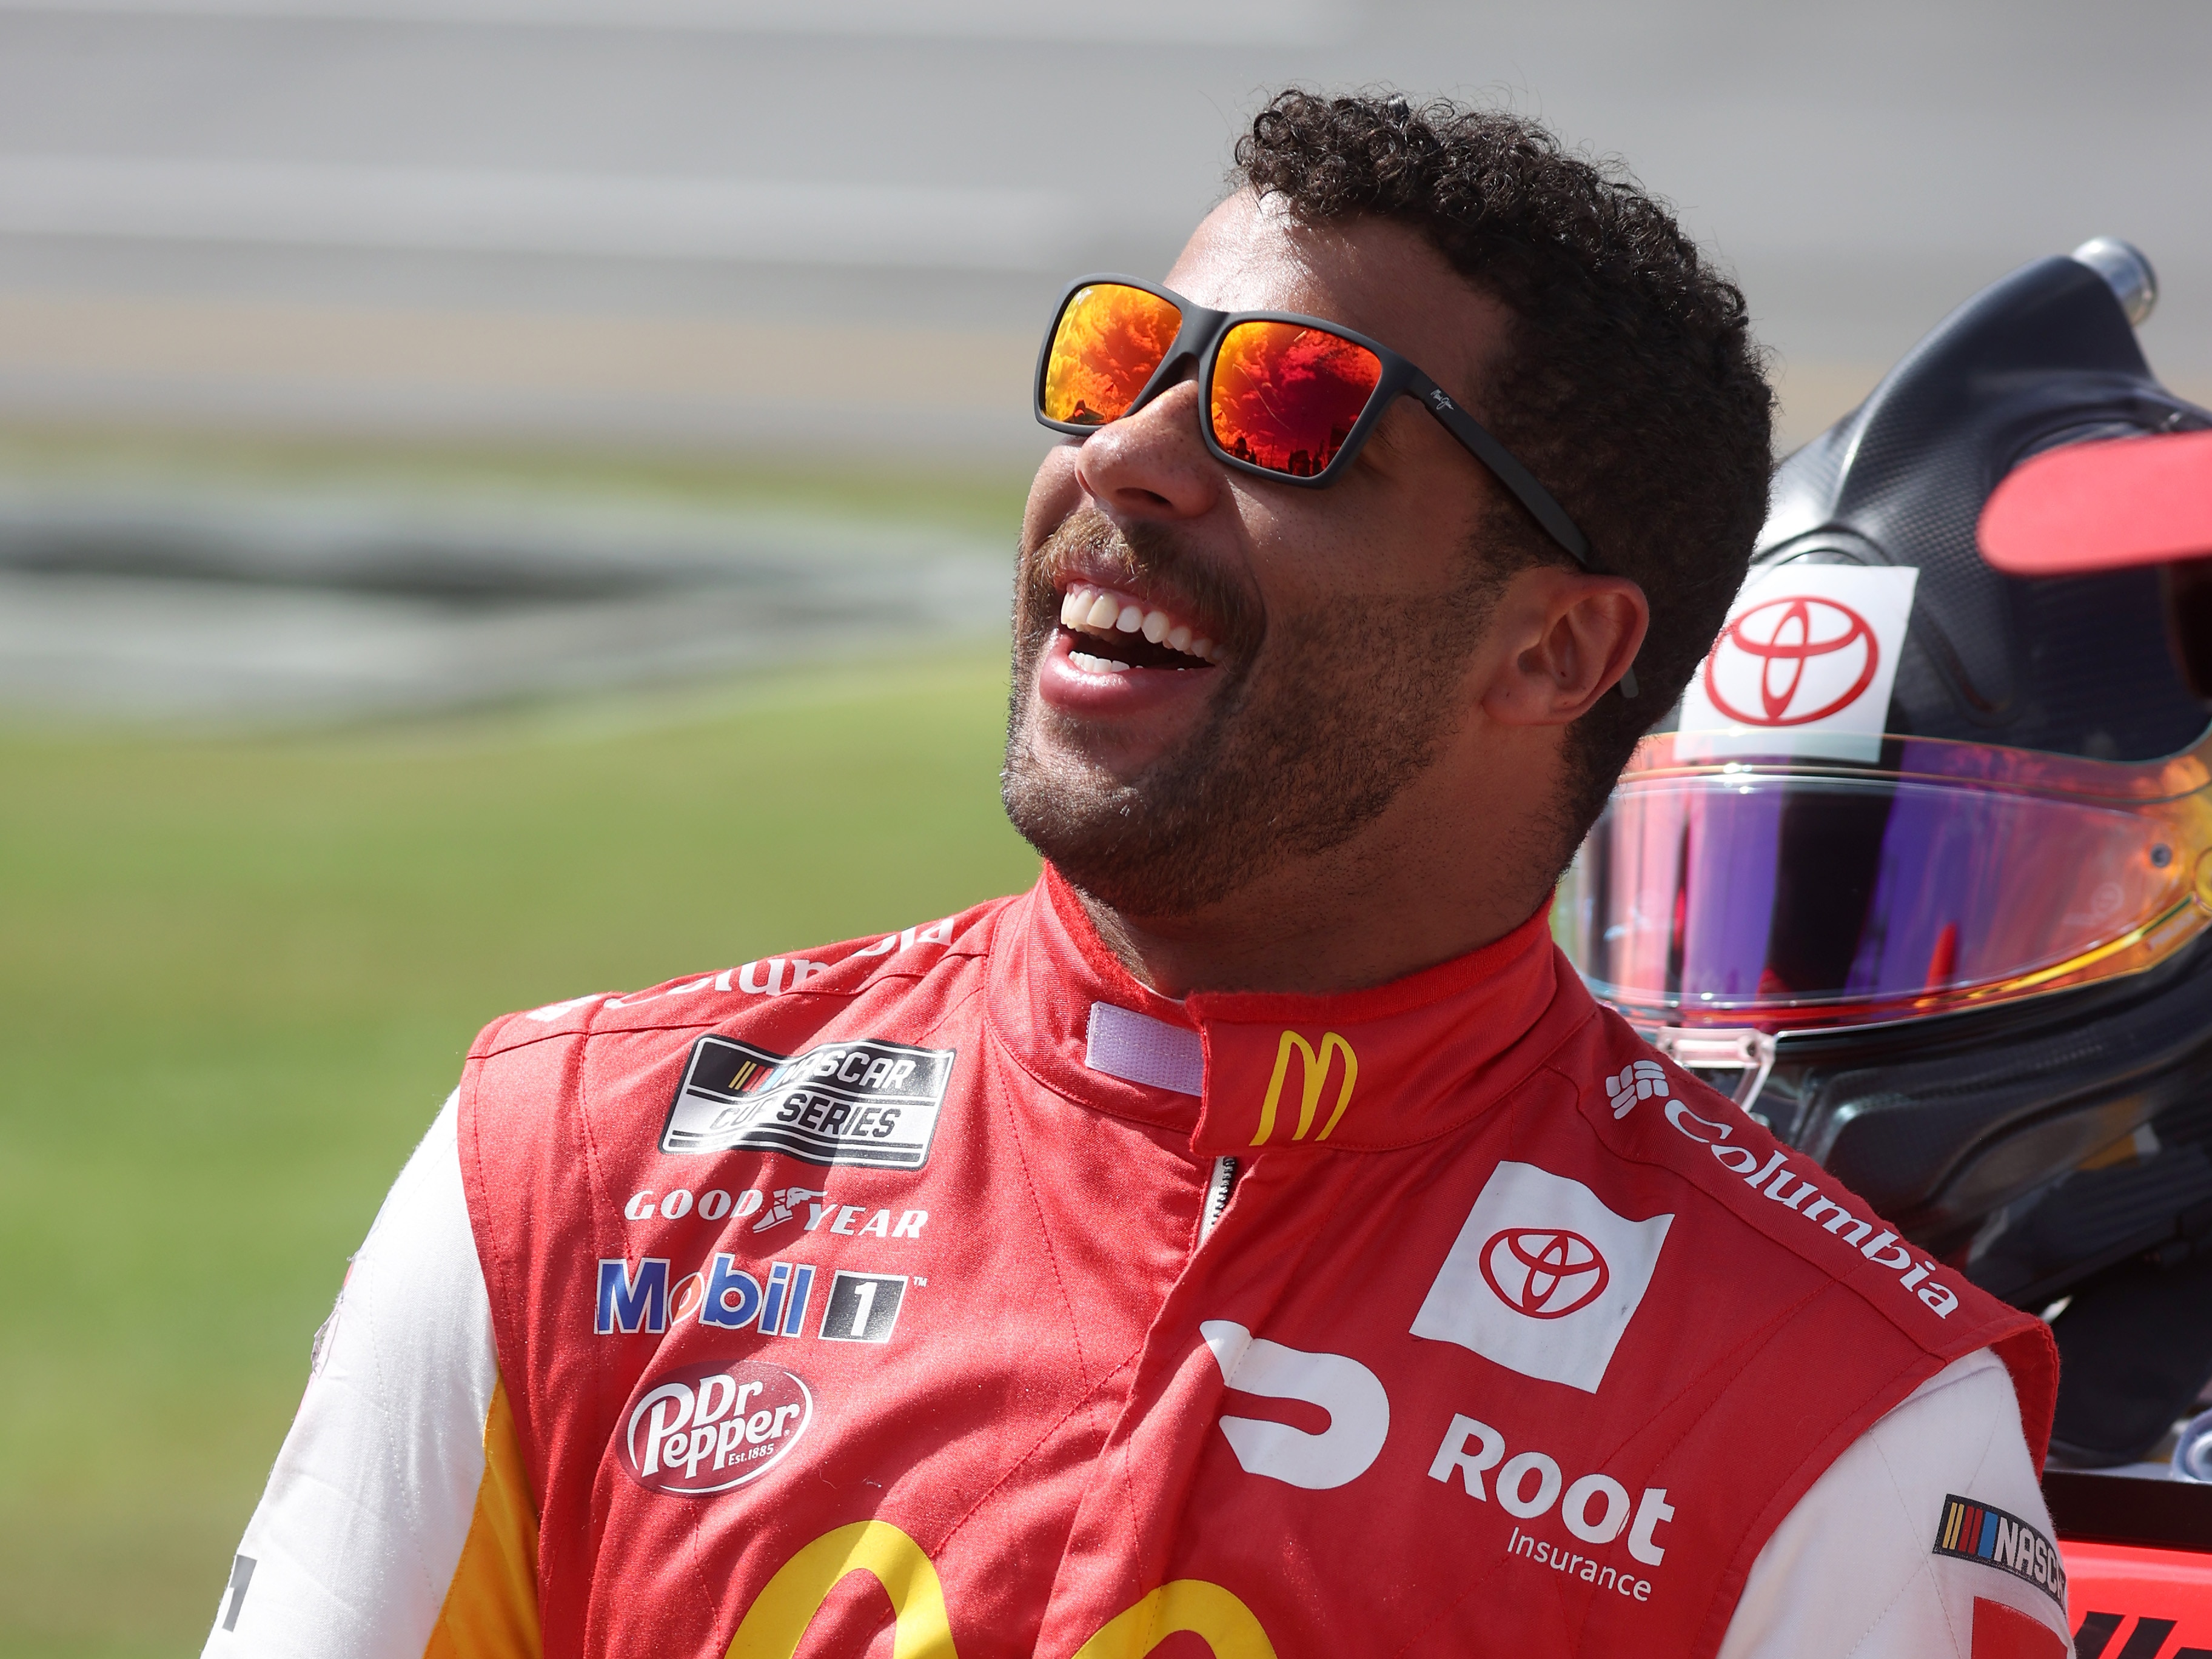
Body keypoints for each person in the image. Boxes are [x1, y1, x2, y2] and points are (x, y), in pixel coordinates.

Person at [203, 92, 2069, 1659]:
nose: (1133, 455)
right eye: (1123, 363)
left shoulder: (1841, 1429)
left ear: (1557, 654)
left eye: (1294, 419)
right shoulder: (572, 1167)